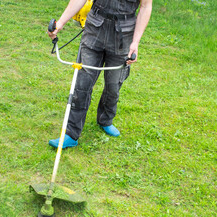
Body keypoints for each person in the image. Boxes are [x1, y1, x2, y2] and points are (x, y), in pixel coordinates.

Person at [48, 0, 152, 148]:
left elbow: (146, 6)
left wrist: (136, 42)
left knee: (114, 84)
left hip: (123, 36)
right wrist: (61, 22)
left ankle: (105, 119)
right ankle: (71, 134)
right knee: (82, 84)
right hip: (94, 30)